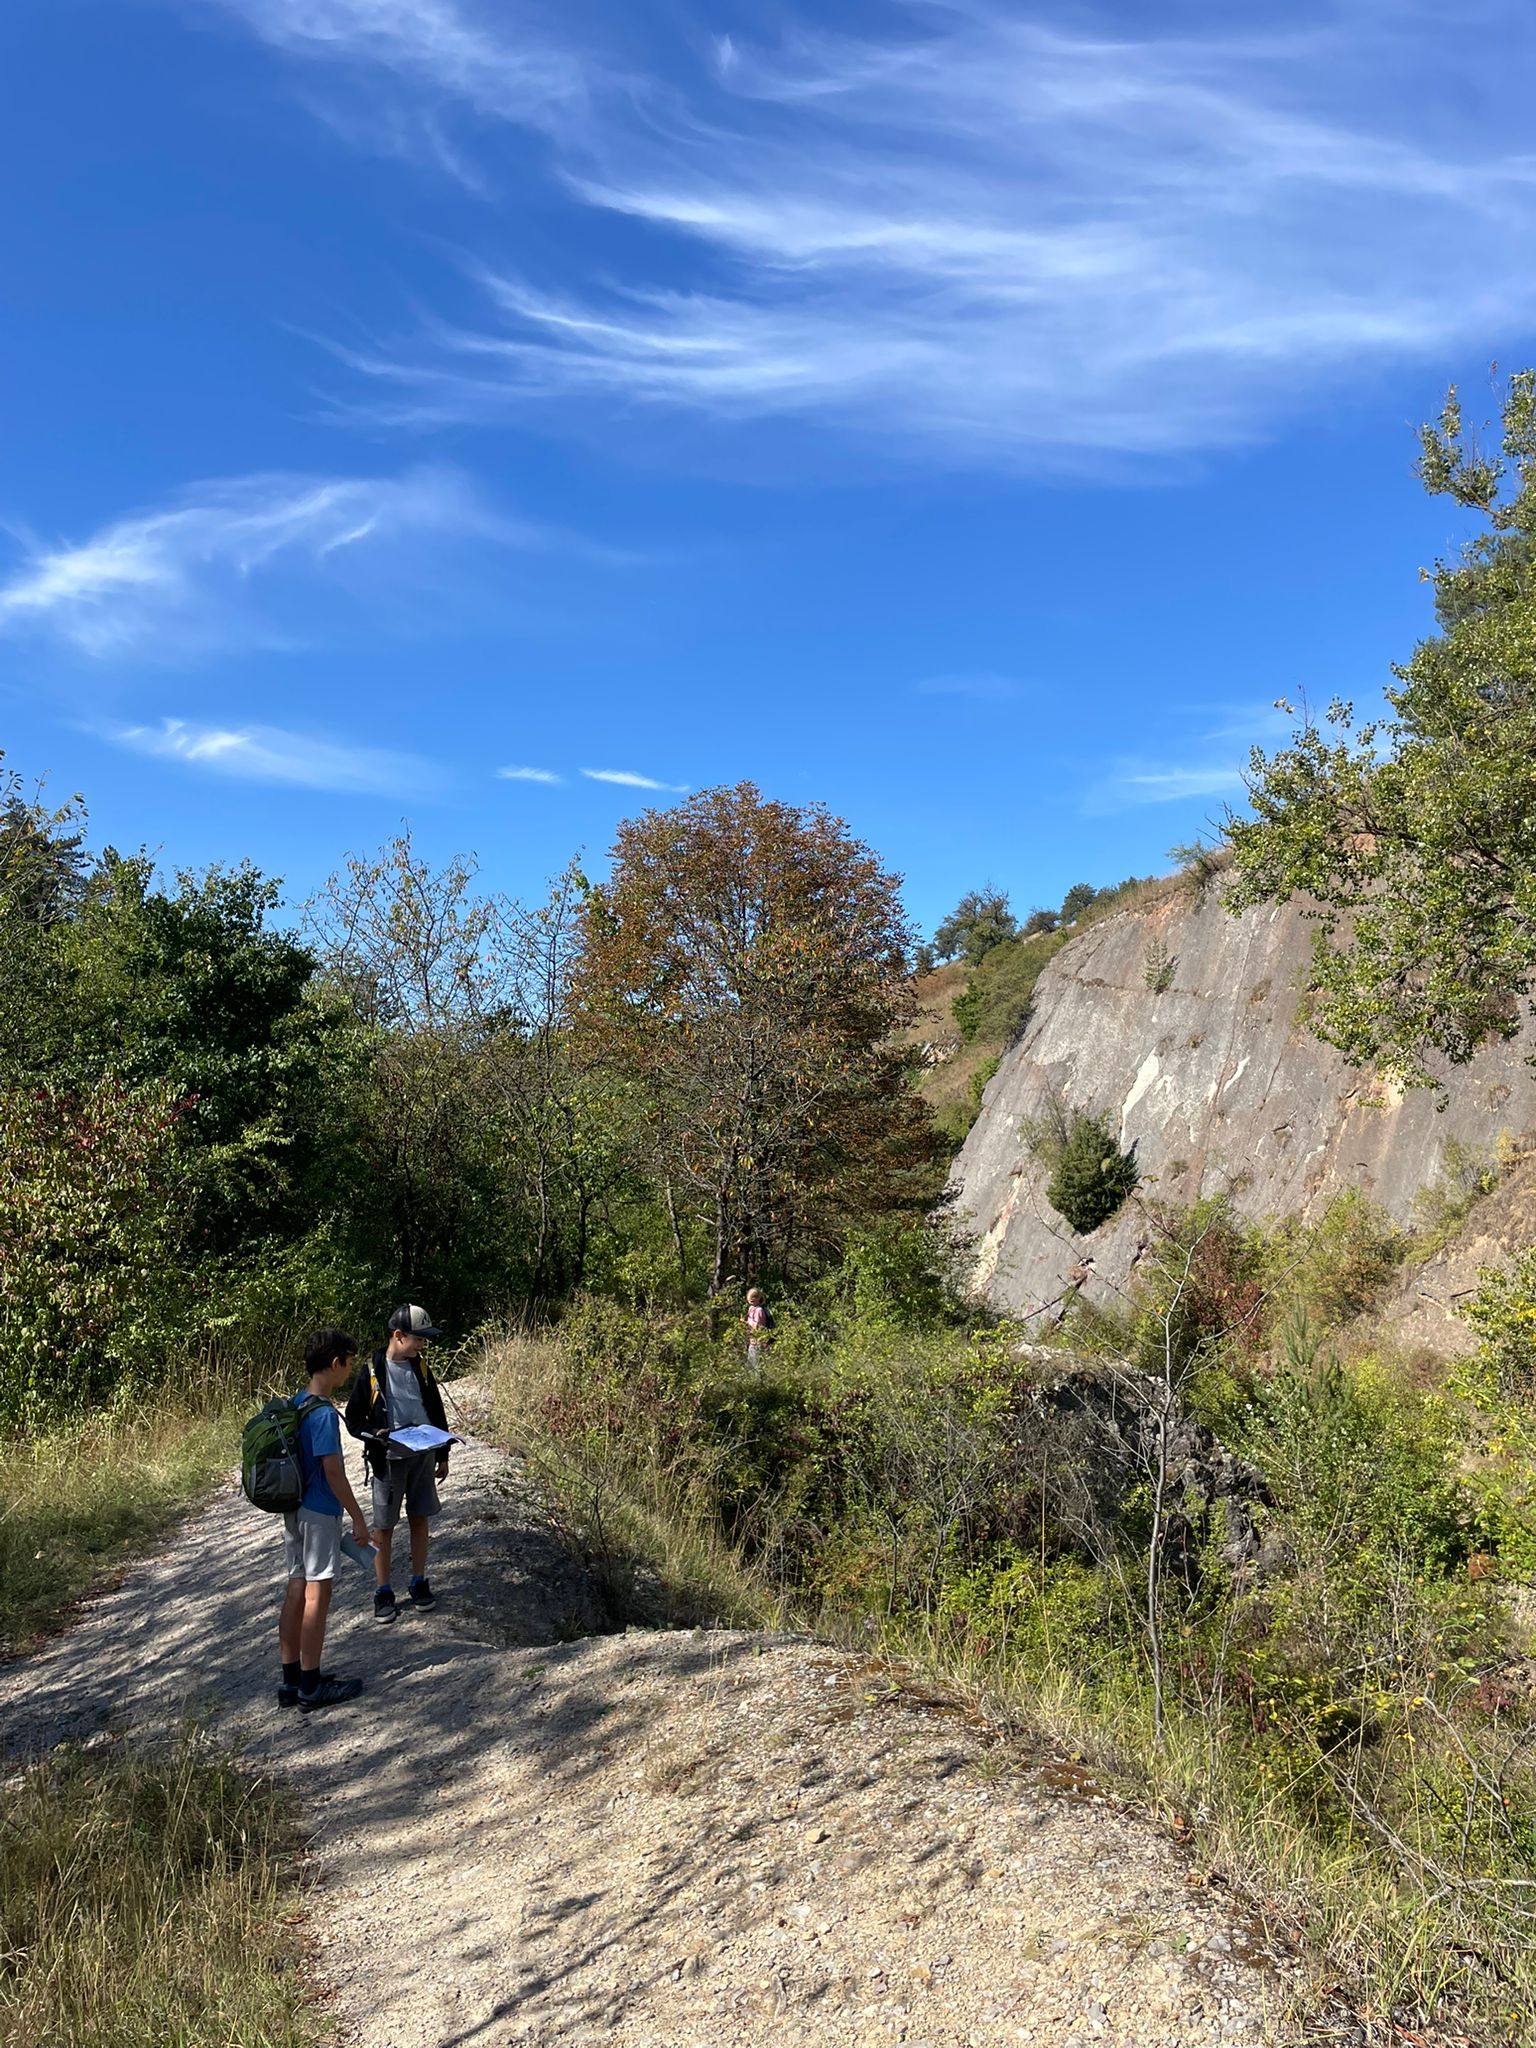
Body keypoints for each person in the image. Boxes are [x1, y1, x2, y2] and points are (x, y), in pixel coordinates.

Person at [278, 1329, 370, 1711]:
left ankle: (292, 1679)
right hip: (319, 1512)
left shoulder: (297, 1403)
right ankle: (312, 1687)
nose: (349, 1371)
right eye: (348, 1364)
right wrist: (358, 1517)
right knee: (318, 1593)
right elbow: (333, 1472)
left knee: (297, 1589)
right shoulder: (323, 1414)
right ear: (336, 1364)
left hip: (294, 1509)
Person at [345, 1304, 452, 1624]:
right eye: (418, 1339)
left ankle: (419, 1581)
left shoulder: (420, 1366)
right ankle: (383, 1591)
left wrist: (444, 1453)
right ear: (397, 1335)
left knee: (420, 1517)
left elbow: (435, 1407)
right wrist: (374, 1435)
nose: (421, 1345)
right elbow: (353, 1419)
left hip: (422, 1458)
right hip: (388, 1462)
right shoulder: (372, 1369)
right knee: (384, 1527)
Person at [745, 1286, 774, 1371]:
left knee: (757, 1366)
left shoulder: (759, 1310)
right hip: (752, 1341)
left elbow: (758, 1326)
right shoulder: (751, 1308)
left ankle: (759, 1382)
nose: (751, 1299)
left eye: (754, 1297)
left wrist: (747, 1322)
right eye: (750, 1296)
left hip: (759, 1342)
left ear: (759, 1298)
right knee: (750, 1365)